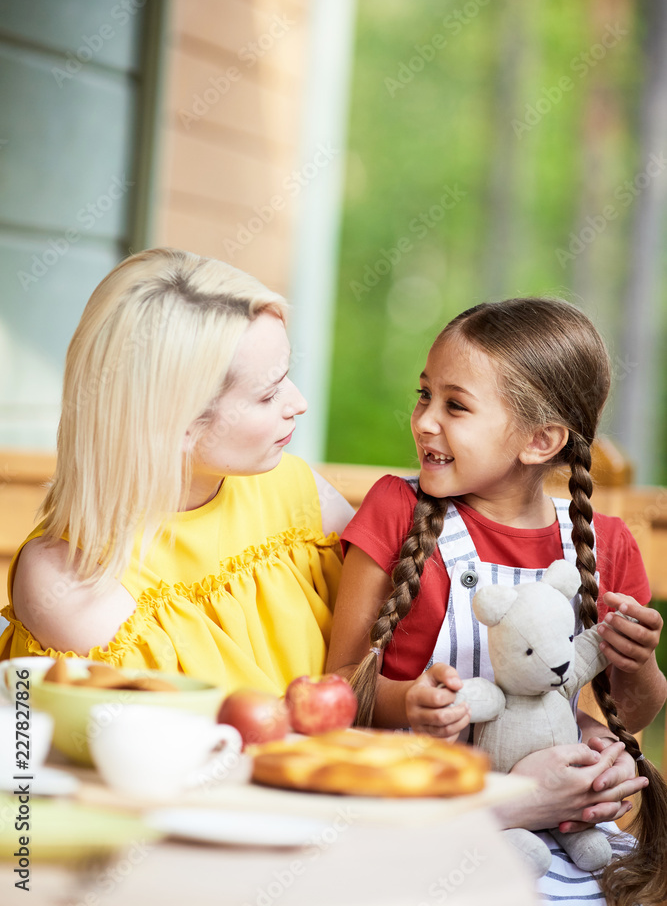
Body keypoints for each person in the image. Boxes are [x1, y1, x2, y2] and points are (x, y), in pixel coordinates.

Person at [327, 297, 667, 906]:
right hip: (416, 817)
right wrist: (416, 702)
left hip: (559, 831)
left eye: (455, 405)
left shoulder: (605, 545)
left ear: (540, 440)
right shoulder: (396, 511)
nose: (425, 420)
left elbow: (632, 713)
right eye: (424, 394)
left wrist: (633, 669)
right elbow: (338, 691)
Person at [0, 248, 354, 694]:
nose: (298, 402)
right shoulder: (69, 581)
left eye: (287, 375)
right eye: (268, 394)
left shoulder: (296, 492)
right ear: (178, 425)